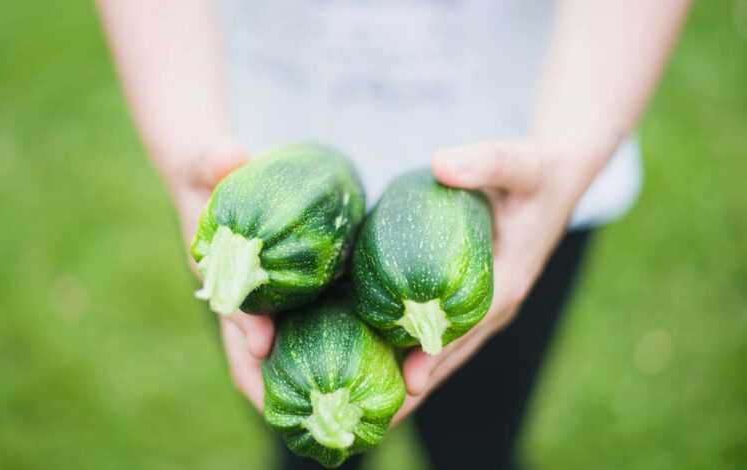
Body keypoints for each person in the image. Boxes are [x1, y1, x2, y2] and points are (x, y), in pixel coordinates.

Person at [96, 1, 690, 468]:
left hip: (529, 167)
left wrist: (567, 162)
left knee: (478, 443)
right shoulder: (244, 225)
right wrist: (184, 146)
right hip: (259, 162)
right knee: (305, 446)